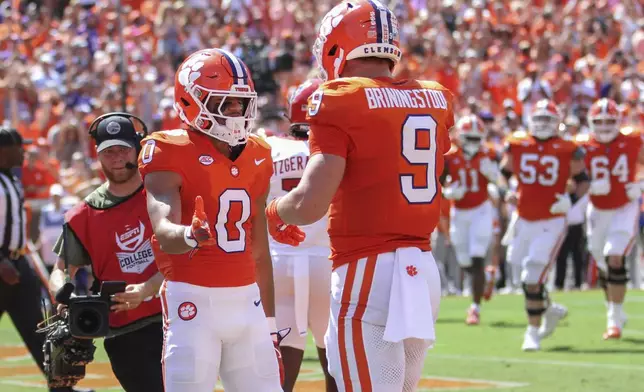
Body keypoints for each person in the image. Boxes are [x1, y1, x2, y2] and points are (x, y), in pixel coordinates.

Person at [264, 1, 451, 390]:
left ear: (335, 46)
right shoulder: (435, 97)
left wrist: (276, 210)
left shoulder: (340, 97)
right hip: (421, 270)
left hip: (368, 270)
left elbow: (309, 203)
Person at [139, 48, 297, 392]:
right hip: (192, 302)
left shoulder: (259, 152)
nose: (237, 112)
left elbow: (259, 251)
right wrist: (190, 235)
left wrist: (270, 323)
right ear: (190, 102)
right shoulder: (167, 149)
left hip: (248, 304)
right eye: (225, 102)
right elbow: (163, 232)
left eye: (241, 103)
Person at [49, 113, 164, 392]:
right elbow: (61, 270)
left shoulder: (164, 193)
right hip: (125, 333)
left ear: (138, 149)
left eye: (123, 149)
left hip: (179, 320)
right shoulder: (83, 214)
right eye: (108, 151)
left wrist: (148, 288)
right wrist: (64, 292)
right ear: (98, 156)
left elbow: (187, 256)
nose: (116, 157)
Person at [0, 126, 91, 392]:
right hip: (3, 265)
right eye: (20, 147)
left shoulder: (12, 179)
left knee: (43, 328)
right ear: (4, 151)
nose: (24, 152)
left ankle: (61, 386)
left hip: (18, 264)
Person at [500, 99, 590, 351]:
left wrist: (569, 200)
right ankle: (549, 310)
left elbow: (583, 180)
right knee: (522, 274)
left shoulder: (568, 147)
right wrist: (507, 190)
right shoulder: (517, 144)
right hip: (524, 217)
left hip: (552, 220)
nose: (541, 124)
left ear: (557, 123)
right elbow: (503, 174)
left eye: (547, 120)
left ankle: (532, 332)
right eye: (538, 119)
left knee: (532, 273)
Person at [265, 78, 337, 392]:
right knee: (333, 354)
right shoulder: (335, 153)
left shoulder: (267, 147)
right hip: (327, 259)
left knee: (283, 359)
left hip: (278, 262)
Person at [576, 98, 644, 340]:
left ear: (618, 122)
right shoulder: (582, 145)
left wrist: (640, 184)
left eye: (609, 121)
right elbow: (569, 179)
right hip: (597, 210)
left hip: (624, 208)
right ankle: (614, 309)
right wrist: (590, 186)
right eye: (599, 121)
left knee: (615, 257)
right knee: (602, 262)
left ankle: (614, 319)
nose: (604, 126)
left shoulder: (633, 139)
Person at [442, 115, 501, 325]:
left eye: (478, 138)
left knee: (476, 256)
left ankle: (475, 308)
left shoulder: (489, 154)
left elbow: (502, 179)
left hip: (481, 210)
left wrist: (493, 174)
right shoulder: (449, 157)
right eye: (470, 138)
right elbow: (436, 184)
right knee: (464, 260)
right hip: (459, 212)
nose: (474, 143)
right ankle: (485, 277)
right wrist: (448, 192)